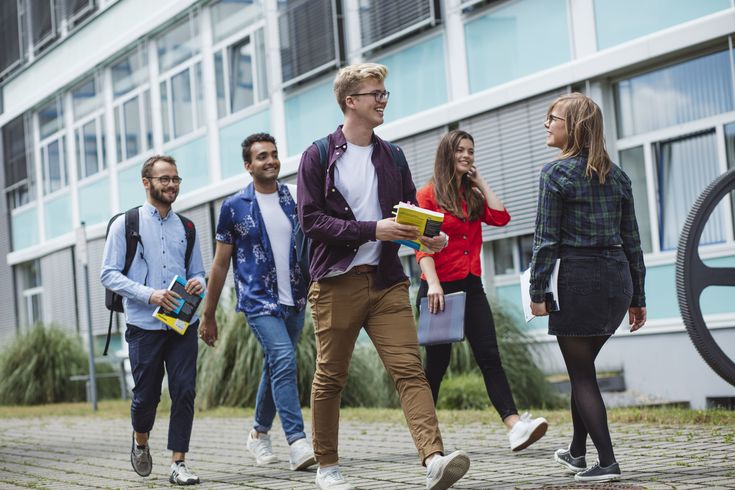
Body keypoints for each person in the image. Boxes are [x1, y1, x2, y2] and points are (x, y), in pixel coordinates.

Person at [298, 63, 470, 490]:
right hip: (337, 281)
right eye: (376, 93)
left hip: (387, 279)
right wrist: (373, 229)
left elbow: (409, 213)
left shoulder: (391, 155)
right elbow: (310, 221)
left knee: (409, 370)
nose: (382, 101)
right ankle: (327, 465)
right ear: (350, 101)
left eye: (384, 94)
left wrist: (428, 239)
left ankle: (433, 458)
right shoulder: (318, 155)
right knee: (331, 376)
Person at [528, 93, 647, 483]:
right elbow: (633, 240)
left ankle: (607, 462)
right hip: (617, 280)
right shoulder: (620, 176)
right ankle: (578, 452)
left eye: (553, 118)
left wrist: (537, 291)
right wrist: (639, 297)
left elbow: (546, 240)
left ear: (574, 127)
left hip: (578, 279)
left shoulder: (555, 174)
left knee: (581, 376)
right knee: (584, 368)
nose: (547, 124)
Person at [415, 129, 549, 452]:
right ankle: (423, 434)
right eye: (460, 150)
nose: (466, 155)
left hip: (472, 286)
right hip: (439, 288)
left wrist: (481, 181)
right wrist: (433, 283)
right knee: (437, 364)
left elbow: (502, 217)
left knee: (489, 356)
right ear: (447, 154)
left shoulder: (472, 196)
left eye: (471, 151)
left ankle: (515, 426)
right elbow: (422, 247)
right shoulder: (428, 195)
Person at [198, 133, 316, 471]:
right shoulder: (235, 207)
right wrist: (209, 315)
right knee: (283, 358)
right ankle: (297, 442)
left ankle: (257, 434)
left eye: (274, 154)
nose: (271, 161)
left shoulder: (294, 197)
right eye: (262, 156)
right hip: (257, 300)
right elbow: (220, 264)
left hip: (294, 297)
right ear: (248, 165)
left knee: (275, 364)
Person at [100, 155, 206, 485]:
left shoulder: (187, 228)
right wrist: (150, 294)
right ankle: (140, 440)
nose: (171, 184)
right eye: (164, 179)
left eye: (175, 179)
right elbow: (108, 274)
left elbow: (199, 271)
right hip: (144, 327)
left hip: (181, 325)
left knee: (185, 390)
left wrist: (198, 283)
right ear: (147, 183)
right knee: (147, 396)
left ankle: (179, 463)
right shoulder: (126, 224)